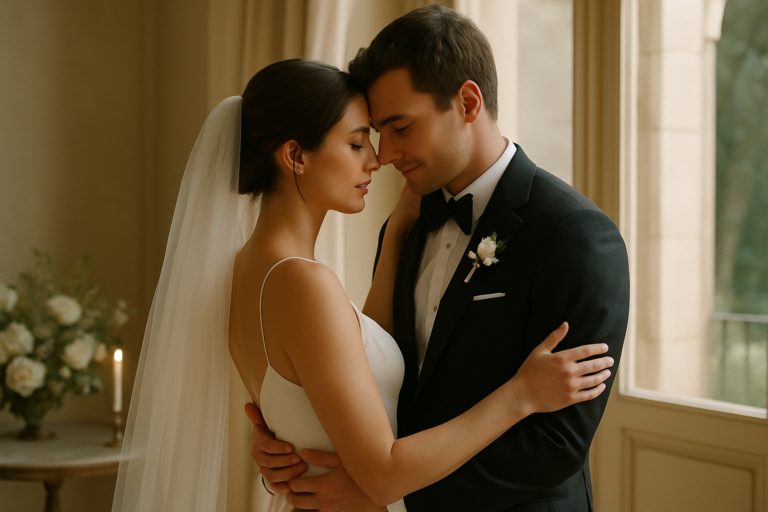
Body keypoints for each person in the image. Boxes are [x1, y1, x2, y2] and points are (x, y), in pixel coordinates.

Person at [111, 56, 613, 512]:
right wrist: (520, 395)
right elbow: (383, 471)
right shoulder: (302, 283)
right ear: (296, 156)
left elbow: (343, 363)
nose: (377, 160)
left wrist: (394, 240)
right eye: (356, 143)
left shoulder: (244, 269)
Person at [249, 5, 630, 512]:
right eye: (375, 134)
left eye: (400, 127)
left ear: (468, 102)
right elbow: (370, 374)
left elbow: (555, 445)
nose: (383, 155)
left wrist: (392, 497)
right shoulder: (404, 224)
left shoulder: (575, 235)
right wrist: (293, 433)